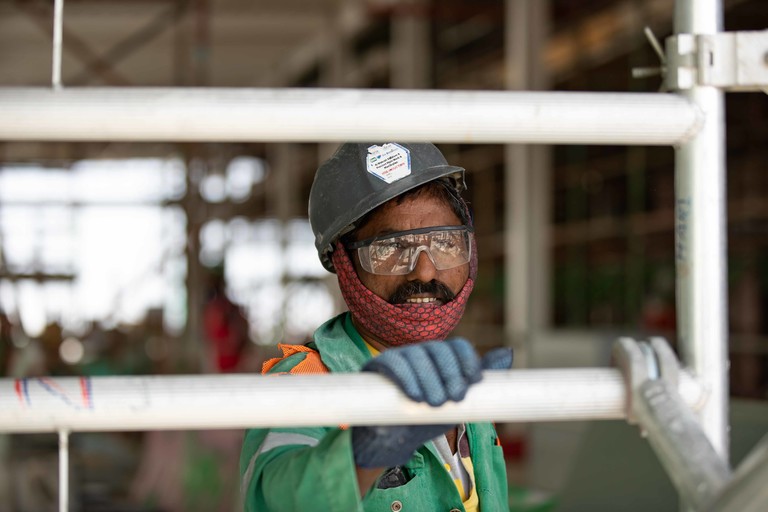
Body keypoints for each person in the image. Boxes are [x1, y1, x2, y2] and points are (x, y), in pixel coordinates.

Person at [240, 142, 513, 511]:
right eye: (390, 249)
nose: (426, 271)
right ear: (343, 262)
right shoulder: (306, 381)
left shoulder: (460, 379)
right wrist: (358, 457)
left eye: (446, 242)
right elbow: (271, 494)